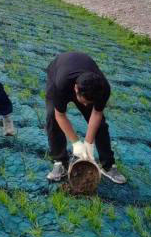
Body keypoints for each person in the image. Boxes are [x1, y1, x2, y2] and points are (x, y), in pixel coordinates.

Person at [45, 52, 126, 184]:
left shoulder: (103, 89)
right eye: (83, 102)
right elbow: (60, 115)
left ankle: (108, 165)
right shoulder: (61, 85)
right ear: (76, 89)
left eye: (89, 103)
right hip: (58, 71)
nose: (85, 105)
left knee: (100, 125)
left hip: (83, 74)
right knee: (51, 118)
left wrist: (88, 144)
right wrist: (76, 143)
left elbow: (97, 113)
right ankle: (59, 162)